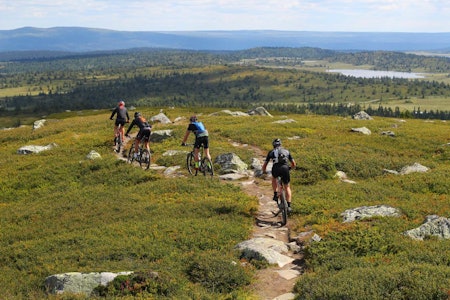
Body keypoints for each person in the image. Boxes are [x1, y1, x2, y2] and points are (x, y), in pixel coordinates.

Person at [262, 138, 296, 212]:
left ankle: (275, 193)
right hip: (285, 168)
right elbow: (294, 164)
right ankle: (289, 205)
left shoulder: (271, 152)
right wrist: (290, 168)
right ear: (280, 144)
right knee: (287, 187)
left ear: (273, 145)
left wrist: (264, 171)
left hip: (276, 168)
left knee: (274, 178)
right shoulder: (287, 151)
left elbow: (265, 165)